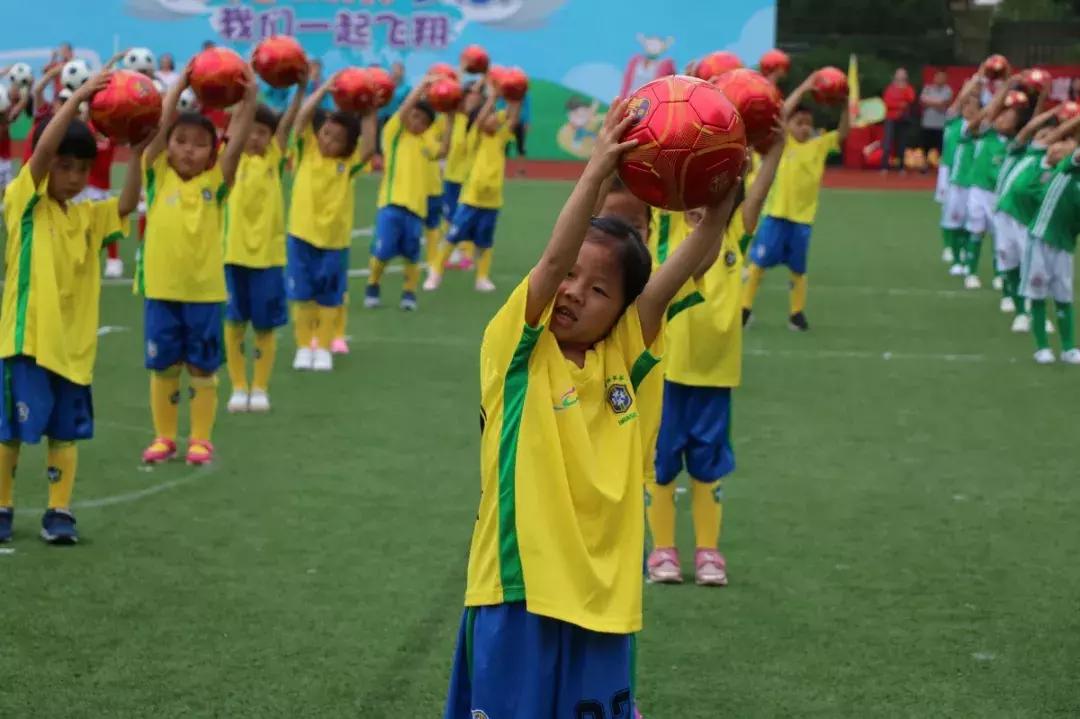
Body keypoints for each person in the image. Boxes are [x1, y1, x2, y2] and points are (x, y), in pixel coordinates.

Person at [442, 97, 738, 719]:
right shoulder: (519, 350)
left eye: (599, 289)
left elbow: (678, 272)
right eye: (571, 278)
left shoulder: (623, 355)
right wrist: (597, 170)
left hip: (604, 598)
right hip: (517, 592)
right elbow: (553, 262)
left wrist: (718, 209)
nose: (574, 293)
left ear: (622, 310)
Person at [0, 71, 143, 544]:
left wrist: (139, 151)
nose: (75, 177)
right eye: (65, 167)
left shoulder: (88, 216)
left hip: (74, 348)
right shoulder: (24, 203)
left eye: (82, 169)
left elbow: (125, 203)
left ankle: (58, 513)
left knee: (66, 432)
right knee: (11, 431)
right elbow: (40, 154)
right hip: (27, 341)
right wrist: (78, 99)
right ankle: (2, 507)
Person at [647, 126, 784, 588]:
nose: (698, 206)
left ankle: (708, 552)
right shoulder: (663, 236)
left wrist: (775, 149)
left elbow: (758, 194)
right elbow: (666, 181)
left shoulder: (734, 240)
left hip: (716, 377)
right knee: (660, 465)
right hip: (665, 376)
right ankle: (662, 551)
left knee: (708, 466)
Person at [138, 62, 259, 467]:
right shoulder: (157, 177)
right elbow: (158, 126)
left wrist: (250, 98)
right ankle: (164, 437)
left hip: (205, 294)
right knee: (165, 367)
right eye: (181, 141)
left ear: (212, 152)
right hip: (161, 291)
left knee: (203, 369)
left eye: (199, 144)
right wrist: (178, 85)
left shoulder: (214, 185)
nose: (188, 149)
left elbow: (237, 142)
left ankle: (200, 440)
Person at [742, 69, 851, 330]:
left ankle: (796, 313)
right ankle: (744, 310)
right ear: (788, 125)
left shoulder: (819, 145)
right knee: (759, 264)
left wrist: (846, 105)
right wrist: (804, 87)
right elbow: (779, 114)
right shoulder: (782, 143)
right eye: (798, 122)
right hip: (775, 216)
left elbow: (844, 133)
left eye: (807, 124)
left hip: (803, 219)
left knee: (798, 269)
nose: (804, 128)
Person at [286, 78, 377, 372]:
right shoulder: (305, 153)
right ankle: (304, 346)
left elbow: (369, 147)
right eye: (325, 134)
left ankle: (322, 347)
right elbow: (300, 120)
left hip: (334, 242)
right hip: (301, 236)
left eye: (337, 139)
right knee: (302, 294)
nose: (328, 141)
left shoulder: (348, 164)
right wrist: (322, 91)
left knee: (328, 296)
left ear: (347, 145)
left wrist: (369, 111)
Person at [224, 84, 305, 413]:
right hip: (232, 255)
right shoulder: (230, 161)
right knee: (234, 323)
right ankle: (238, 386)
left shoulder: (273, 158)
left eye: (262, 133)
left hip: (268, 259)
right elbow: (235, 124)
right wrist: (246, 93)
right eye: (249, 132)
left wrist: (299, 88)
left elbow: (288, 123)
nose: (254, 138)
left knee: (265, 326)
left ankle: (259, 386)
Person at [426, 79, 521, 293]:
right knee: (453, 235)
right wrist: (493, 97)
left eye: (495, 117)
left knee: (485, 243)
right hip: (471, 198)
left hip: (492, 200)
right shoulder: (475, 137)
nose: (494, 119)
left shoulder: (500, 138)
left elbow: (512, 119)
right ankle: (436, 272)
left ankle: (482, 278)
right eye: (490, 116)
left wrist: (515, 97)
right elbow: (479, 120)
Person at [995, 110, 1080, 333]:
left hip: (1028, 222)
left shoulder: (1060, 174)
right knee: (1008, 260)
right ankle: (1019, 310)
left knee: (1031, 269)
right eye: (1044, 137)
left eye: (1051, 138)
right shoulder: (1033, 154)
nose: (1046, 140)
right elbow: (1047, 130)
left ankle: (1033, 311)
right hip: (1006, 212)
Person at [365, 77, 436, 311]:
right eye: (414, 116)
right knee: (383, 251)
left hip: (416, 210)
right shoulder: (394, 136)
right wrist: (422, 87)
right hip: (391, 205)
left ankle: (409, 292)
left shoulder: (426, 142)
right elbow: (404, 109)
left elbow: (443, 149)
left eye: (424, 121)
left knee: (411, 255)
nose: (418, 122)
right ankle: (373, 284)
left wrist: (452, 113)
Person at [958, 75, 1024, 290]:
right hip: (979, 190)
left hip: (999, 195)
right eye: (1003, 115)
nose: (1004, 119)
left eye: (1010, 117)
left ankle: (1000, 273)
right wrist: (1006, 86)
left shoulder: (1016, 144)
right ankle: (970, 270)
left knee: (1000, 237)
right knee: (976, 231)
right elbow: (987, 113)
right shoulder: (986, 134)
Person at [1022, 146, 1080, 365]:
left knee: (1064, 295)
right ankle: (1042, 348)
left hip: (1064, 244)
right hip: (1040, 237)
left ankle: (1068, 349)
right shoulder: (1070, 168)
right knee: (1037, 292)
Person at [881, 68, 916, 173]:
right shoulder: (890, 88)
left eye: (903, 74)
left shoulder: (908, 88)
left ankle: (901, 167)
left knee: (902, 143)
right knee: (887, 142)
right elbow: (887, 102)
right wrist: (899, 104)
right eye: (899, 74)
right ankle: (884, 166)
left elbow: (910, 99)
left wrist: (903, 90)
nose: (901, 76)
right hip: (890, 118)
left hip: (903, 119)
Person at [920, 70, 953, 172]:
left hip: (941, 124)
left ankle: (942, 167)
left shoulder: (948, 90)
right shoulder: (928, 88)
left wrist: (930, 101)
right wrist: (937, 103)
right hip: (928, 123)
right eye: (938, 77)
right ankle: (924, 165)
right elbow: (923, 102)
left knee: (941, 147)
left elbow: (944, 104)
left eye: (942, 77)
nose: (939, 79)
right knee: (925, 146)